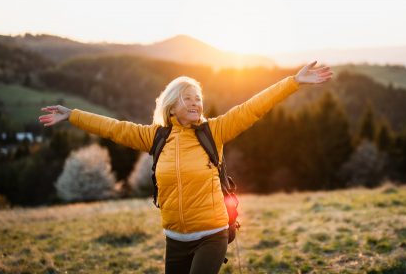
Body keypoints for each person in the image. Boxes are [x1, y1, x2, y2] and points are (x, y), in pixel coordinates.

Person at [39, 61, 333, 274]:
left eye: (198, 99)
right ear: (171, 106)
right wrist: (72, 115)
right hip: (175, 238)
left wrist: (293, 82)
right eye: (188, 98)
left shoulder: (214, 132)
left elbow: (253, 107)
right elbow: (113, 128)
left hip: (212, 234)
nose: (196, 103)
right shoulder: (155, 137)